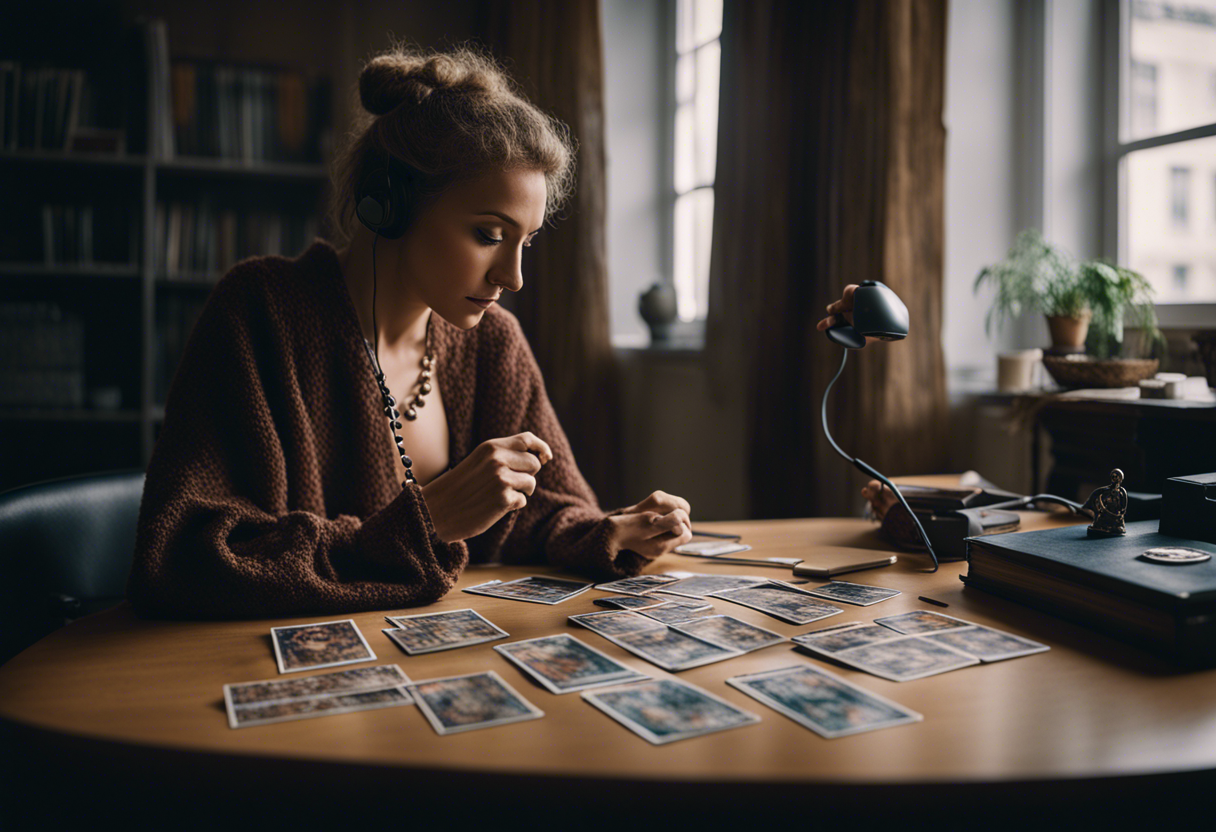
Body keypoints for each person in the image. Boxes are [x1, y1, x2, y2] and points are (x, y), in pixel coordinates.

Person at [127, 46, 887, 619]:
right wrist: (423, 524)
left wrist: (610, 532)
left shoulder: (491, 343)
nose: (513, 278)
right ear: (388, 203)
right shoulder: (261, 315)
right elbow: (185, 558)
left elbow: (544, 513)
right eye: (489, 233)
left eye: (525, 240)